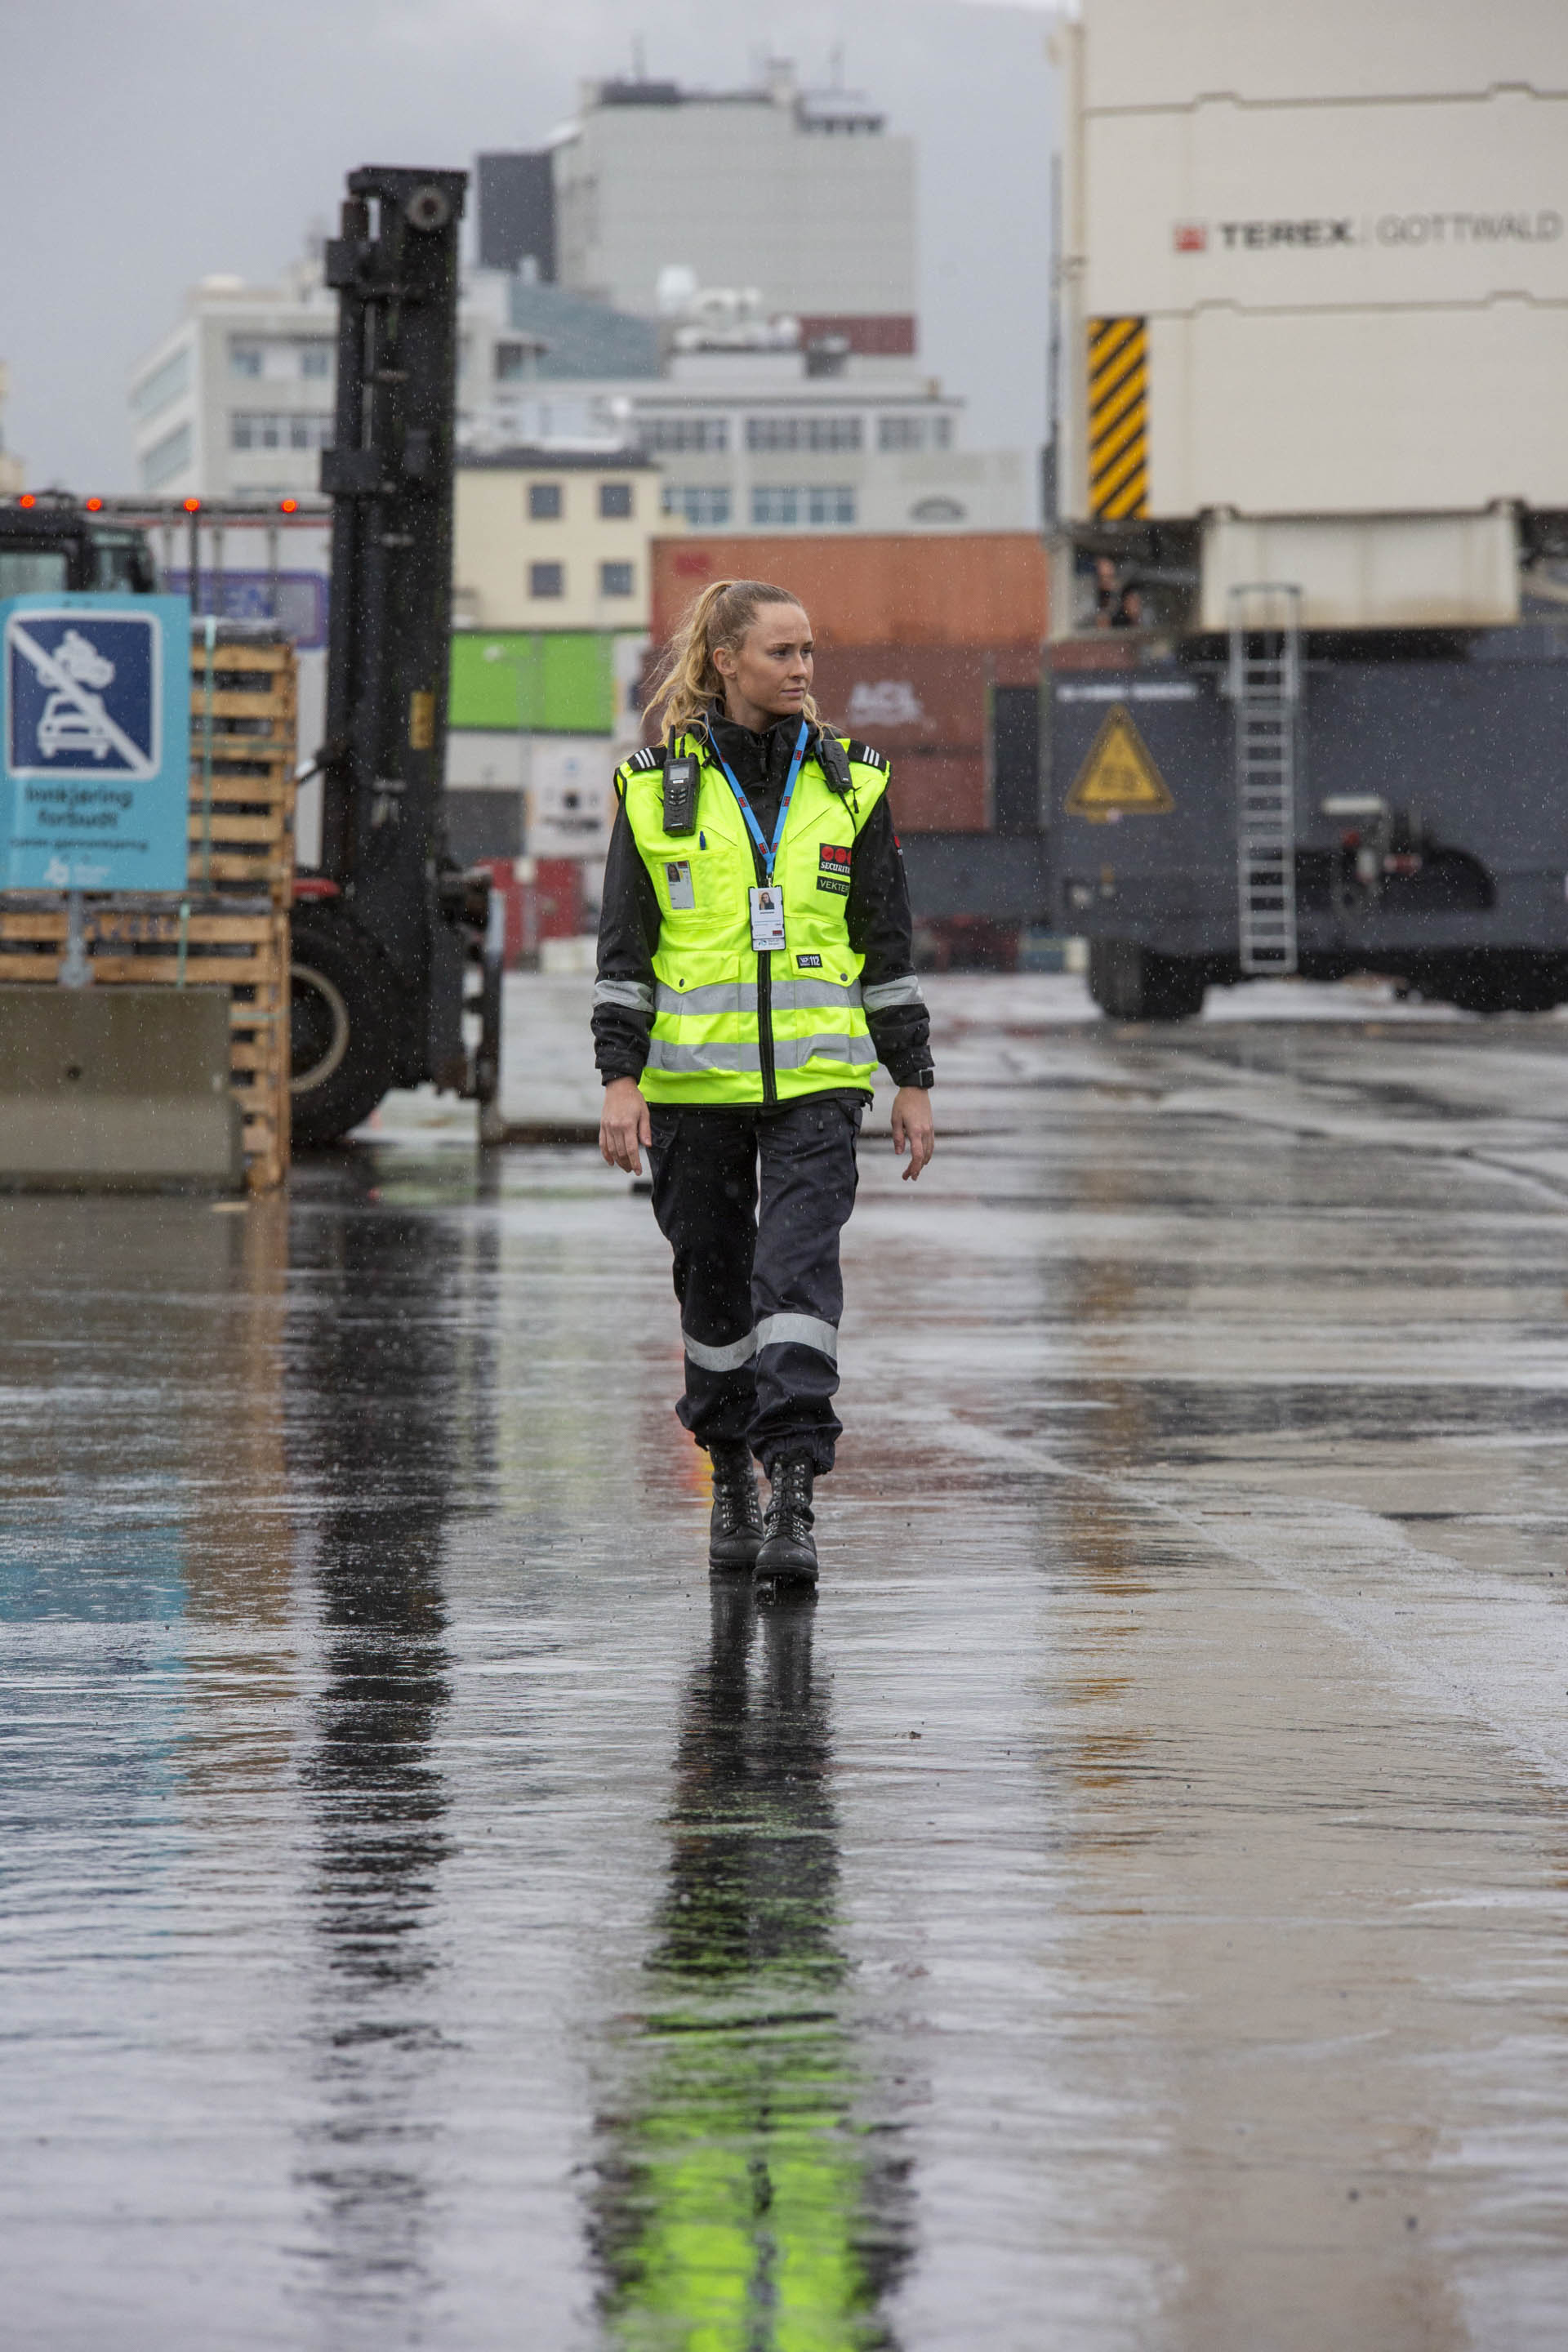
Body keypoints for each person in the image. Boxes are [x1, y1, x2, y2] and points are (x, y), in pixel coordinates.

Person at [594, 578, 936, 1585]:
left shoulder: (854, 785)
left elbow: (886, 943)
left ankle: (793, 1488)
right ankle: (730, 1474)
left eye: (809, 652)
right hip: (692, 1092)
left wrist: (910, 1076)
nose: (801, 669)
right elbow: (626, 951)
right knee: (713, 1283)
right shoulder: (653, 790)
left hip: (818, 1088)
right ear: (726, 661)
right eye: (782, 652)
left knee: (794, 1284)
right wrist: (621, 1079)